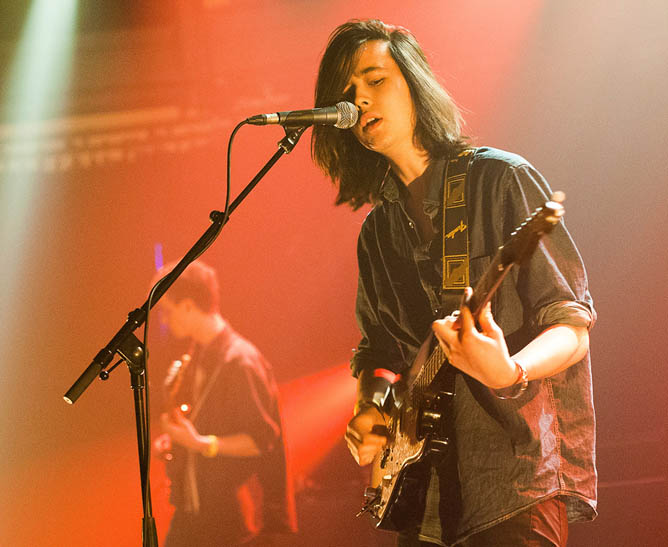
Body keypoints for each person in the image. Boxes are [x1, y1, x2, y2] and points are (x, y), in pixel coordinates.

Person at [311, 20, 597, 546]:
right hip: (424, 503)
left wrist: (510, 369)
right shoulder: (377, 234)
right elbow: (378, 352)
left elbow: (572, 326)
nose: (360, 100)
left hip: (510, 483)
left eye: (375, 80)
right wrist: (370, 408)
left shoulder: (503, 180)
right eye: (348, 93)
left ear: (415, 82)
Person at [152, 259, 296, 546]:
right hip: (194, 513)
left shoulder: (240, 361)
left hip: (230, 520)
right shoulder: (198, 356)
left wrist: (201, 444)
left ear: (189, 306)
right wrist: (178, 441)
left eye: (167, 311)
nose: (164, 321)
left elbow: (261, 440)